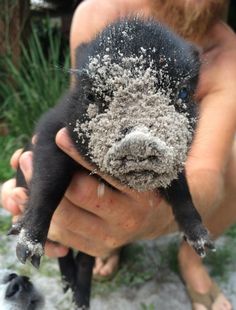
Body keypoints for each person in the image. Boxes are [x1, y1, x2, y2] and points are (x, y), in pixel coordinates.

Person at [1, 0, 236, 309]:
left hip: (158, 172)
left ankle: (190, 261)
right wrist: (40, 211)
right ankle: (101, 241)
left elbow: (206, 169)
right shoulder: (97, 13)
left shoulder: (227, 53)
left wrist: (165, 218)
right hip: (97, 166)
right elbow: (74, 126)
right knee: (73, 218)